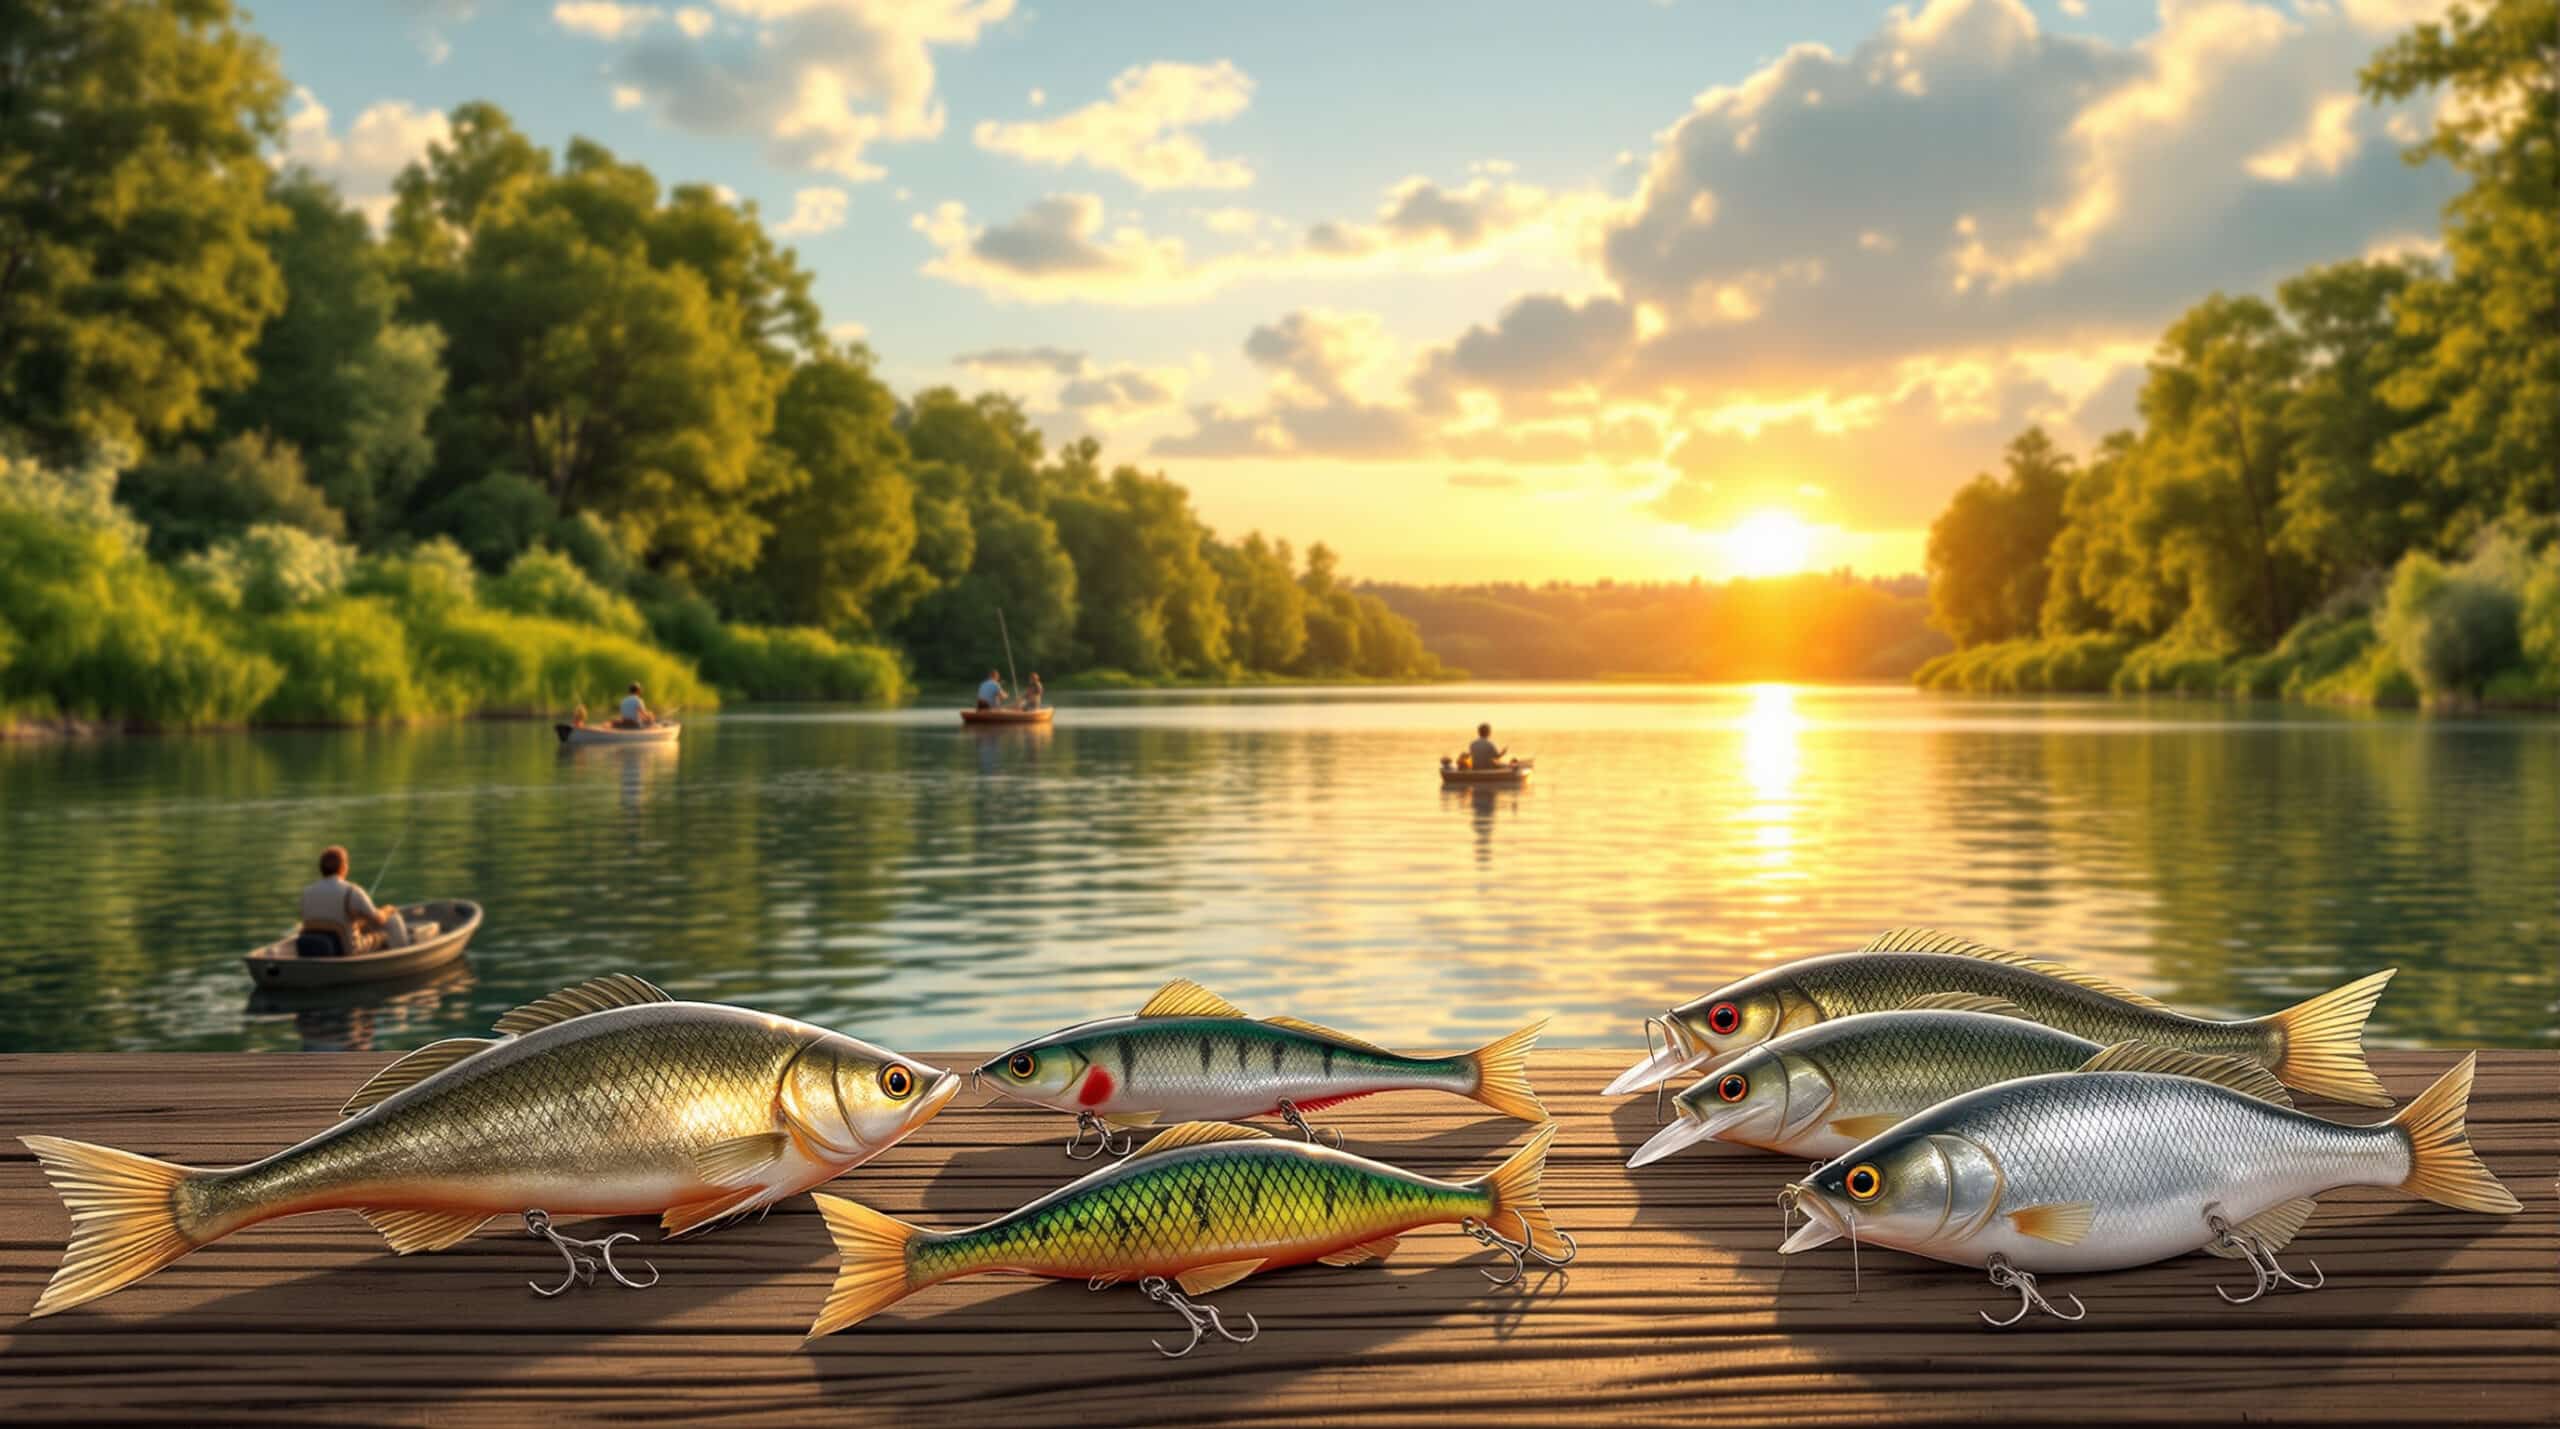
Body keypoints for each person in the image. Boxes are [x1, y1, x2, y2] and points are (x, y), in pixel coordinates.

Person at [298, 846, 403, 957]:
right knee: (390, 923)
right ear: (343, 867)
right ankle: (402, 958)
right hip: (348, 950)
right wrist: (387, 910)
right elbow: (378, 919)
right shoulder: (351, 891)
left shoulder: (307, 892)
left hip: (313, 947)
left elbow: (328, 919)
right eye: (346, 863)